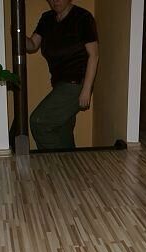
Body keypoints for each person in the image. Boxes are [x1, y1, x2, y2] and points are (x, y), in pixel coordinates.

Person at [26, 0, 99, 150]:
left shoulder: (82, 17)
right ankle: (70, 164)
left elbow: (94, 55)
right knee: (62, 131)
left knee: (39, 122)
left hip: (77, 83)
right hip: (59, 84)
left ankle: (54, 161)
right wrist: (18, 34)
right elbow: (32, 45)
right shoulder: (47, 19)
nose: (55, 0)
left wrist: (86, 90)